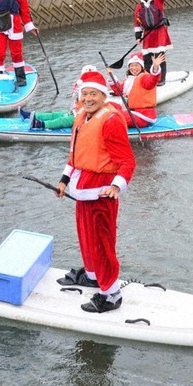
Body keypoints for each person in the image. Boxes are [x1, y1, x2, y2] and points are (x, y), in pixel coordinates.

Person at [55, 70, 136, 314]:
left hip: (101, 193)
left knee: (102, 242)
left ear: (104, 96)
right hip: (82, 190)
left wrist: (115, 186)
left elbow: (127, 162)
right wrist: (63, 180)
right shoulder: (81, 116)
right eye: (85, 93)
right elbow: (74, 154)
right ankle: (92, 276)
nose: (88, 98)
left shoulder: (111, 120)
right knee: (85, 236)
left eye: (93, 94)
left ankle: (111, 293)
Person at [19, 65, 99, 131]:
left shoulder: (95, 91)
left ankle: (40, 124)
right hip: (76, 112)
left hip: (83, 117)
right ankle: (31, 115)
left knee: (62, 120)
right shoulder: (82, 86)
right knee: (56, 114)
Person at [134, 0, 173, 85]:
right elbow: (137, 23)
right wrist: (138, 36)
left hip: (159, 32)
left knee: (160, 57)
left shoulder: (158, 0)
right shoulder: (139, 7)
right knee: (147, 58)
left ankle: (161, 79)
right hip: (147, 35)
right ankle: (149, 78)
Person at [107, 52, 164, 127]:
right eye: (132, 66)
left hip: (143, 116)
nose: (134, 68)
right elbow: (119, 91)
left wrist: (155, 67)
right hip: (131, 112)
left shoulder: (144, 77)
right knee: (107, 105)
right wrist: (111, 77)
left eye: (136, 65)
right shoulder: (129, 79)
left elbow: (153, 80)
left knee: (116, 115)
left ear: (141, 67)